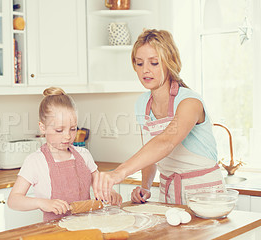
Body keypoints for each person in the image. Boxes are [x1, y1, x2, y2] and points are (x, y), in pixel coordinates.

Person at [93, 29, 225, 205]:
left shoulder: (190, 102)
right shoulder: (142, 104)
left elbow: (166, 142)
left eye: (154, 63)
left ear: (169, 62)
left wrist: (119, 172)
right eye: (139, 64)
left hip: (205, 193)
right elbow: (151, 151)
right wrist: (145, 187)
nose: (145, 70)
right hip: (169, 193)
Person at [8, 87, 122, 222]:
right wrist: (42, 203)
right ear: (43, 127)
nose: (68, 136)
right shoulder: (35, 161)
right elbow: (13, 200)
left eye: (73, 129)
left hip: (86, 226)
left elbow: (99, 185)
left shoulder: (84, 155)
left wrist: (111, 192)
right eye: (59, 130)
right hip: (54, 233)